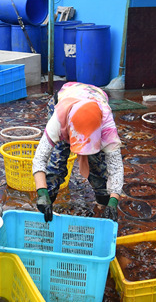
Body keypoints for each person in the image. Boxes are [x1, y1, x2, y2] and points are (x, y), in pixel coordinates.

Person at [31, 82, 124, 223]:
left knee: (98, 164)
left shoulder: (107, 128)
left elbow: (116, 168)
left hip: (95, 106)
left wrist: (113, 201)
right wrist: (41, 192)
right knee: (56, 162)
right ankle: (46, 206)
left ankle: (103, 205)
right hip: (64, 102)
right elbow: (40, 158)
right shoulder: (58, 120)